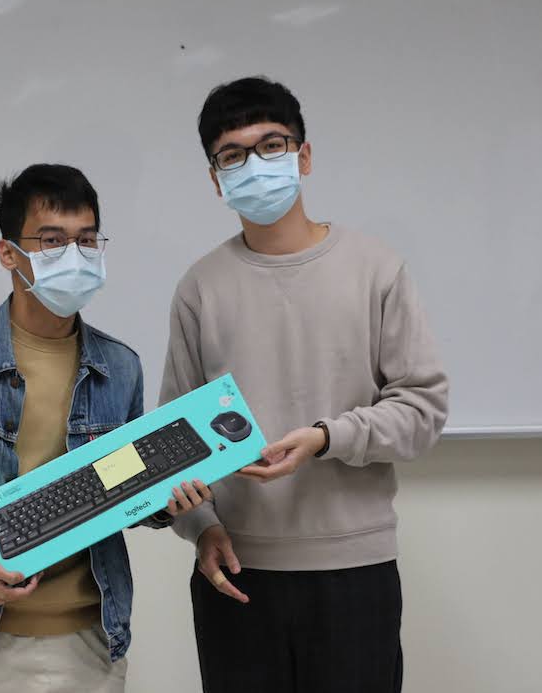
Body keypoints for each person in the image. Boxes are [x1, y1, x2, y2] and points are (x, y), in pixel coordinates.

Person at [160, 77, 450, 693]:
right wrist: (201, 526)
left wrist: (326, 437)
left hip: (356, 571)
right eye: (233, 155)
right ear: (216, 179)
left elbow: (422, 410)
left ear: (304, 155)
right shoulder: (200, 287)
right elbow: (175, 442)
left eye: (271, 145)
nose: (254, 165)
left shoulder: (376, 269)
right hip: (236, 573)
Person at [0, 163, 209, 692]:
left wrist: (168, 500)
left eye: (86, 240)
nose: (74, 256)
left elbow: (122, 485)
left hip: (90, 640)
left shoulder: (120, 366)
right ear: (8, 253)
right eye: (52, 242)